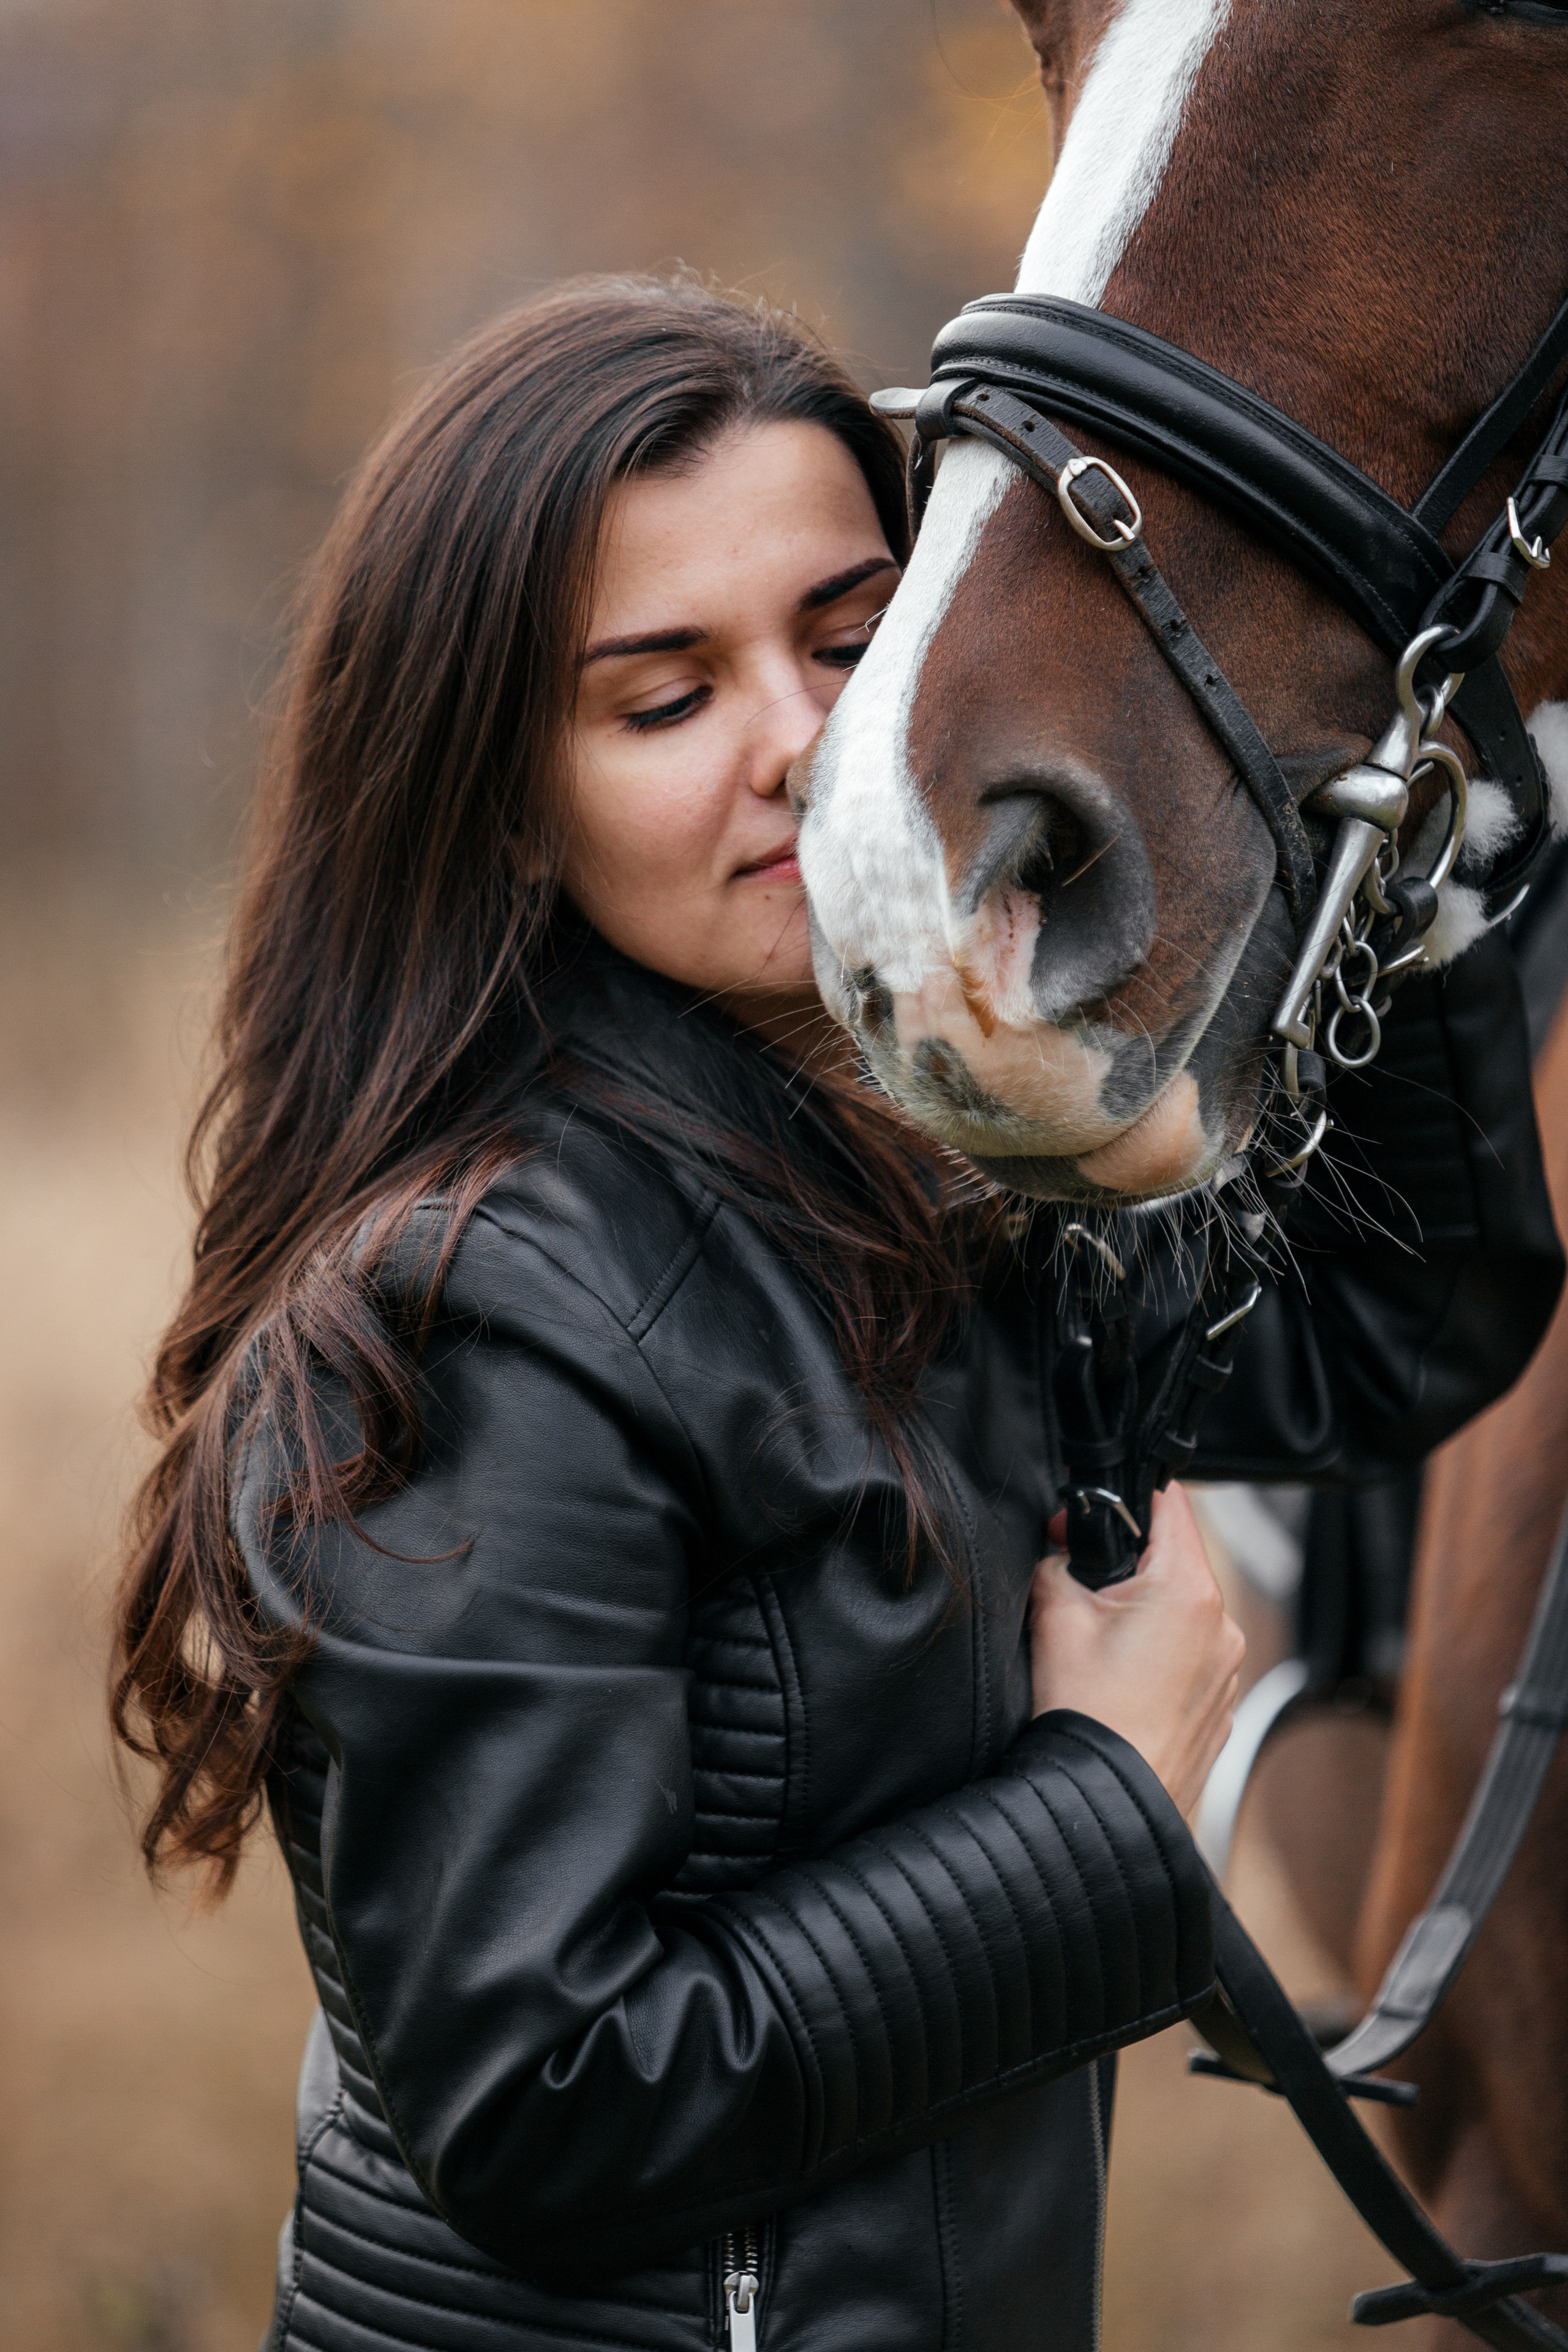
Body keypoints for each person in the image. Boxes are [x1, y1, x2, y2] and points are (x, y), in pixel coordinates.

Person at [111, 276, 1561, 2352]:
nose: (807, 748)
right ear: (503, 794)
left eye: (850, 638)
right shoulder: (492, 1310)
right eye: (663, 700)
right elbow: (537, 2099)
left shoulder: (907, 1179)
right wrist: (1102, 1801)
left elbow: (1382, 1343)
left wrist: (1386, 864)